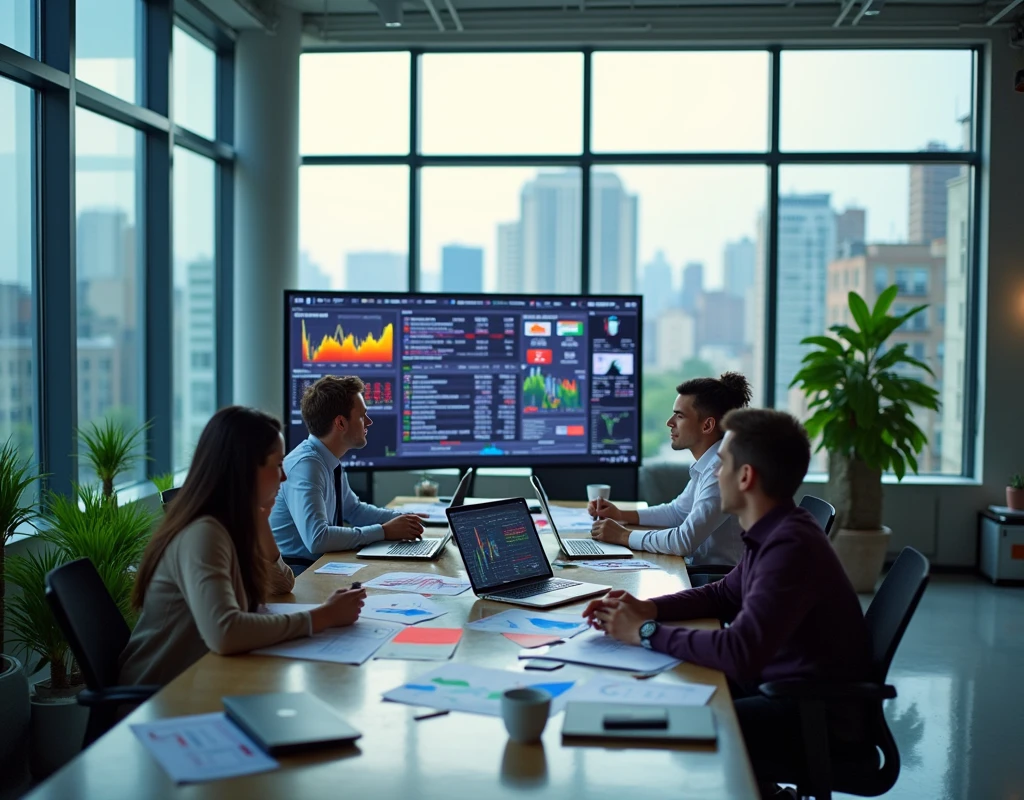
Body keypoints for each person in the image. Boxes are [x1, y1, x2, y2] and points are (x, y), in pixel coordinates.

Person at [582, 408, 872, 798]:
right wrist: (649, 608)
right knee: (665, 691)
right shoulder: (776, 527)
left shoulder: (788, 545)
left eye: (722, 465)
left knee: (680, 724)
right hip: (780, 685)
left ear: (746, 476)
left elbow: (740, 652)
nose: (715, 475)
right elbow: (723, 594)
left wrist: (646, 632)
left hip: (811, 714)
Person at [120, 407, 366, 687]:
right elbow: (225, 633)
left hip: (204, 678)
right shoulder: (203, 532)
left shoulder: (231, 522)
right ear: (245, 470)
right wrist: (323, 617)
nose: (284, 477)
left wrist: (260, 519)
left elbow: (281, 584)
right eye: (276, 465)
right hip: (162, 698)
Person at [590, 372, 751, 565]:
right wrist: (620, 515)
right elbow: (677, 513)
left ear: (707, 425)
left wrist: (624, 536)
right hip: (702, 575)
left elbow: (683, 541)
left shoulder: (721, 469)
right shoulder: (710, 463)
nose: (670, 423)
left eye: (679, 416)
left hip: (715, 581)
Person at [271, 375, 424, 564]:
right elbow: (318, 539)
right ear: (341, 423)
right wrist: (384, 531)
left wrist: (403, 519)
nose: (368, 422)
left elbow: (354, 510)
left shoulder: (327, 459)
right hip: (300, 577)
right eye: (361, 416)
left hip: (320, 567)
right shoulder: (306, 466)